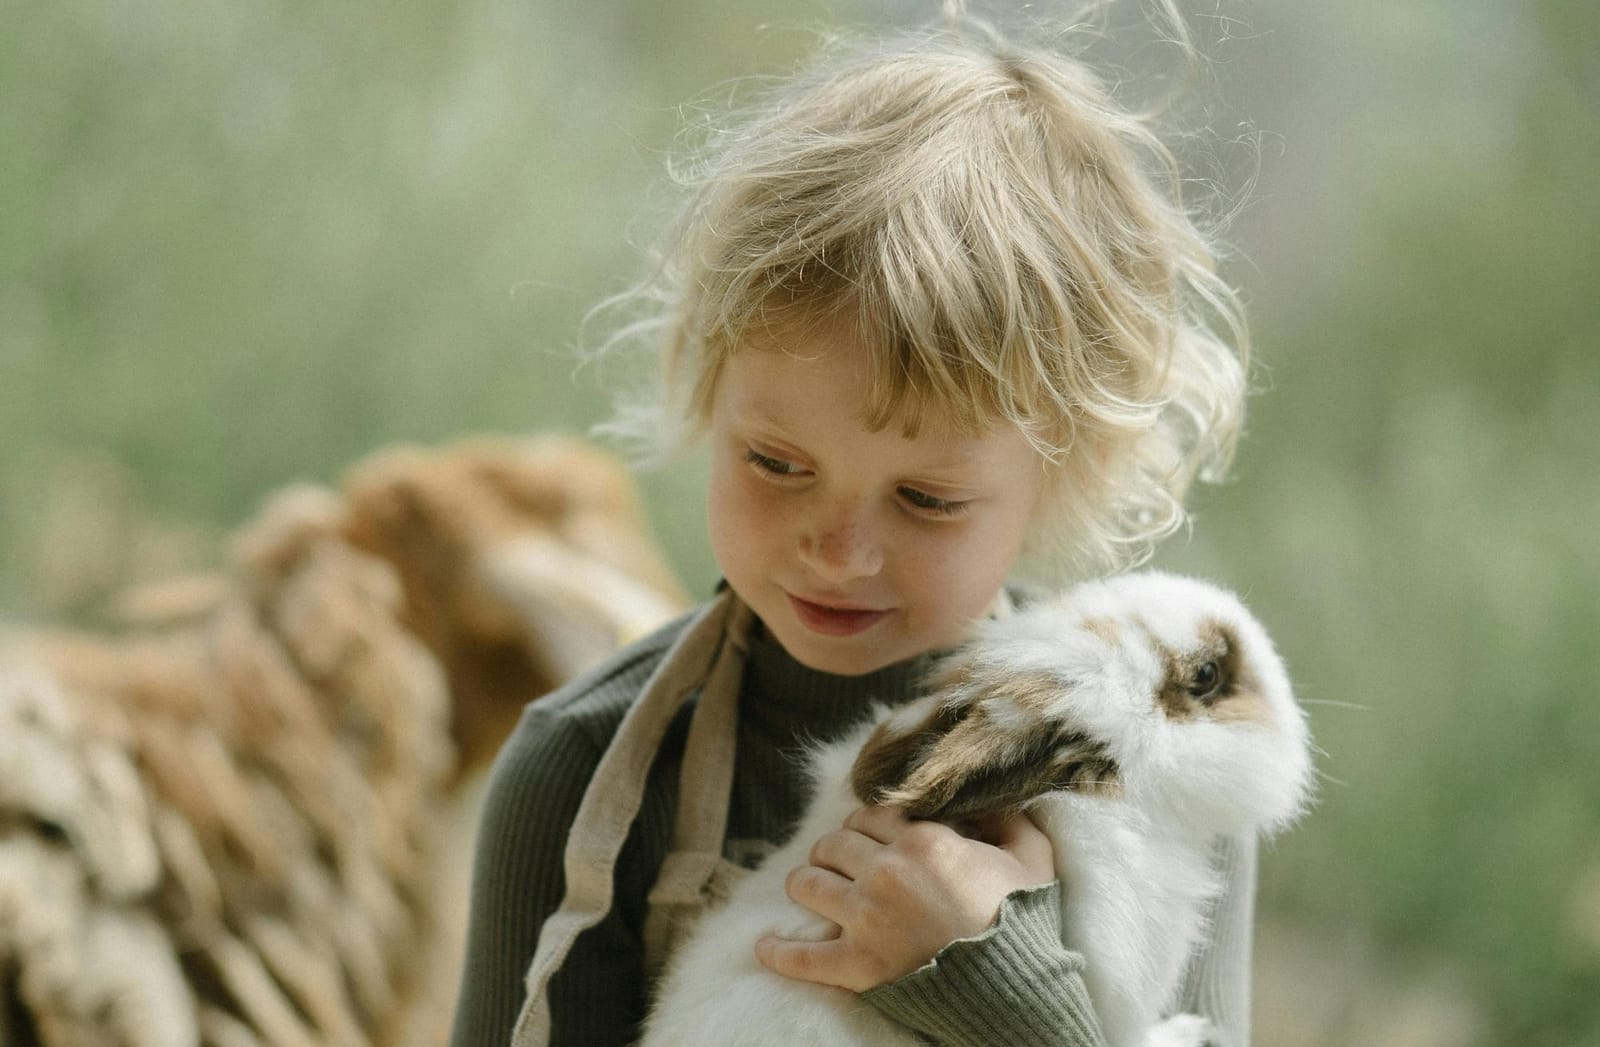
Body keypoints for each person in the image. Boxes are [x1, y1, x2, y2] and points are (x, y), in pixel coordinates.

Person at [450, 7, 1257, 1045]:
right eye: (775, 464)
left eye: (926, 500)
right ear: (707, 387)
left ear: (1069, 475)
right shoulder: (587, 778)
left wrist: (991, 981)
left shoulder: (1170, 775)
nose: (837, 551)